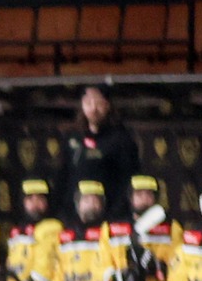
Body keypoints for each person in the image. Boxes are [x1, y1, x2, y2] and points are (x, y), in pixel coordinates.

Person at [90, 176, 177, 281]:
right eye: (139, 194)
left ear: (155, 198)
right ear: (130, 197)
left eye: (148, 194)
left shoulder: (171, 229)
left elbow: (179, 267)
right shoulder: (111, 229)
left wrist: (157, 266)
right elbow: (99, 267)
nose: (144, 199)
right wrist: (121, 279)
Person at [58, 85, 140, 221]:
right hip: (76, 217)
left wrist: (116, 213)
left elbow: (128, 180)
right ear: (82, 105)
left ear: (107, 105)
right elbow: (64, 177)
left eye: (98, 103)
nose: (93, 108)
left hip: (111, 216)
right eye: (88, 103)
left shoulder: (122, 139)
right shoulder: (73, 138)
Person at [0, 178, 63, 281]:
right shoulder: (16, 231)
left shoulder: (53, 228)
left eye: (40, 199)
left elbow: (47, 265)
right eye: (30, 199)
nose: (35, 204)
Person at [56, 181, 115, 281]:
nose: (92, 205)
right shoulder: (65, 235)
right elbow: (58, 274)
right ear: (78, 203)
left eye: (96, 200)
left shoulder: (111, 233)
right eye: (86, 200)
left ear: (102, 205)